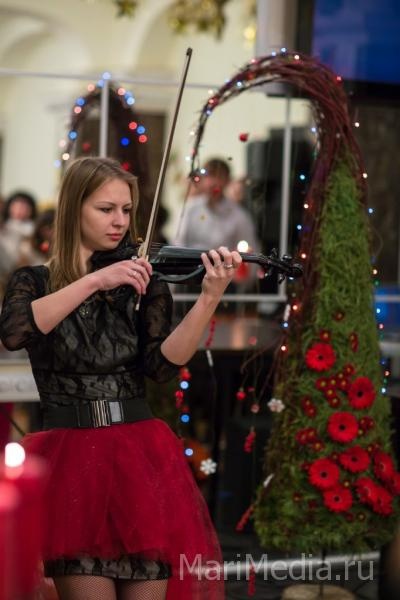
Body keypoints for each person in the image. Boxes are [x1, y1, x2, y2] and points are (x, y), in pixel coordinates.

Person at [0, 156, 241, 600]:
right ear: (74, 209)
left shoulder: (141, 281)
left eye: (127, 210)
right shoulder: (33, 281)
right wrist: (95, 280)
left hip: (138, 457)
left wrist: (209, 298)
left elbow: (162, 366)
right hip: (71, 461)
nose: (120, 222)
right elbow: (17, 332)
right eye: (106, 209)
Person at [174, 158, 258, 254]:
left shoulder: (239, 216)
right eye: (209, 176)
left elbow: (249, 251)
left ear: (228, 181)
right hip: (189, 262)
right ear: (202, 179)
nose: (213, 182)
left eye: (219, 176)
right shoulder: (190, 208)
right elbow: (178, 243)